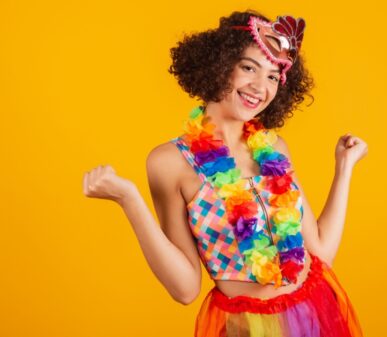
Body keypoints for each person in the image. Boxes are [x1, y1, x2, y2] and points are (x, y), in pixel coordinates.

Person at [83, 10, 367, 336]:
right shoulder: (169, 162)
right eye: (249, 67)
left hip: (315, 313)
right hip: (245, 327)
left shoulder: (274, 148)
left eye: (274, 76)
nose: (261, 87)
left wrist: (344, 168)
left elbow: (319, 253)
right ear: (219, 65)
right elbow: (185, 289)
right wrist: (129, 199)